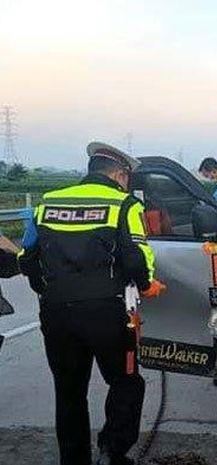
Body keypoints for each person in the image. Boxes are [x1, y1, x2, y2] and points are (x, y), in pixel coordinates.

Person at [18, 142, 166, 465]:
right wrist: (147, 285)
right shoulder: (124, 205)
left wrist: (46, 289)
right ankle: (112, 452)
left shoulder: (47, 204)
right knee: (126, 381)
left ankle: (74, 460)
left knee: (69, 392)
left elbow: (26, 257)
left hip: (56, 313)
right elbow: (136, 258)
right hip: (107, 313)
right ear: (120, 174)